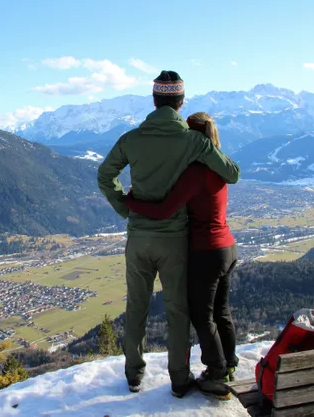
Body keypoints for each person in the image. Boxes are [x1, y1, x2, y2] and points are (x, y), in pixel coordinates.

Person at [97, 71, 240, 398]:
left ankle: (134, 374)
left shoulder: (131, 139)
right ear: (180, 101)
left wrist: (126, 208)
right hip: (175, 240)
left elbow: (105, 176)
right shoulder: (193, 141)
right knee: (178, 311)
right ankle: (179, 379)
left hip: (138, 238)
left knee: (137, 308)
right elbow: (231, 172)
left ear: (154, 99)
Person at [124, 112, 239, 400]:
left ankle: (216, 372)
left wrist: (131, 202)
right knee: (221, 312)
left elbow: (164, 210)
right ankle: (230, 364)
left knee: (201, 315)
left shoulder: (196, 172)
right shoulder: (220, 167)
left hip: (206, 251)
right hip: (227, 248)